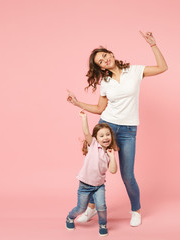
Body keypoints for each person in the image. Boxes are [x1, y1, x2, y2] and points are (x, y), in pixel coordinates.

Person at [67, 31, 168, 227]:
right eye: (100, 61)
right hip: (107, 126)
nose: (104, 60)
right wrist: (77, 103)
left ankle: (136, 210)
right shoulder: (105, 82)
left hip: (129, 130)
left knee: (127, 175)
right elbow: (99, 109)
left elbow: (163, 67)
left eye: (104, 55)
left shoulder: (134, 70)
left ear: (111, 54)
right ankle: (91, 209)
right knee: (94, 169)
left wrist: (153, 45)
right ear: (99, 67)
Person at [66, 110, 118, 236]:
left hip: (99, 186)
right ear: (96, 138)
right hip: (85, 185)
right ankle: (70, 217)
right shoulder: (94, 145)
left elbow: (113, 170)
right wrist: (84, 118)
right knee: (81, 208)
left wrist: (112, 157)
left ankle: (102, 224)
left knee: (101, 207)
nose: (105, 137)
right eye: (101, 135)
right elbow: (86, 132)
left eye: (107, 134)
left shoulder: (108, 153)